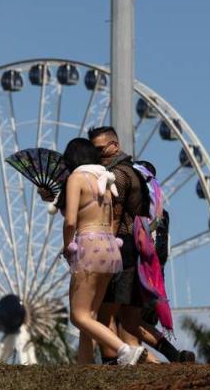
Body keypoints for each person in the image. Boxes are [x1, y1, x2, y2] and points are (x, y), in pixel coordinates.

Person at [87, 127, 194, 364]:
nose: (96, 155)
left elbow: (113, 216)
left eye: (100, 149)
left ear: (114, 146)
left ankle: (111, 363)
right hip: (142, 256)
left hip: (121, 249)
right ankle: (175, 356)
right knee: (131, 320)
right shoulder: (139, 176)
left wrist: (104, 246)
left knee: (105, 312)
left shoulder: (119, 175)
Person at [59, 137, 146, 365]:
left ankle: (125, 349)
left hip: (89, 245)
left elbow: (70, 221)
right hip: (110, 247)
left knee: (78, 315)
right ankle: (85, 366)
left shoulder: (77, 178)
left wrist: (68, 246)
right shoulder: (105, 180)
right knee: (90, 316)